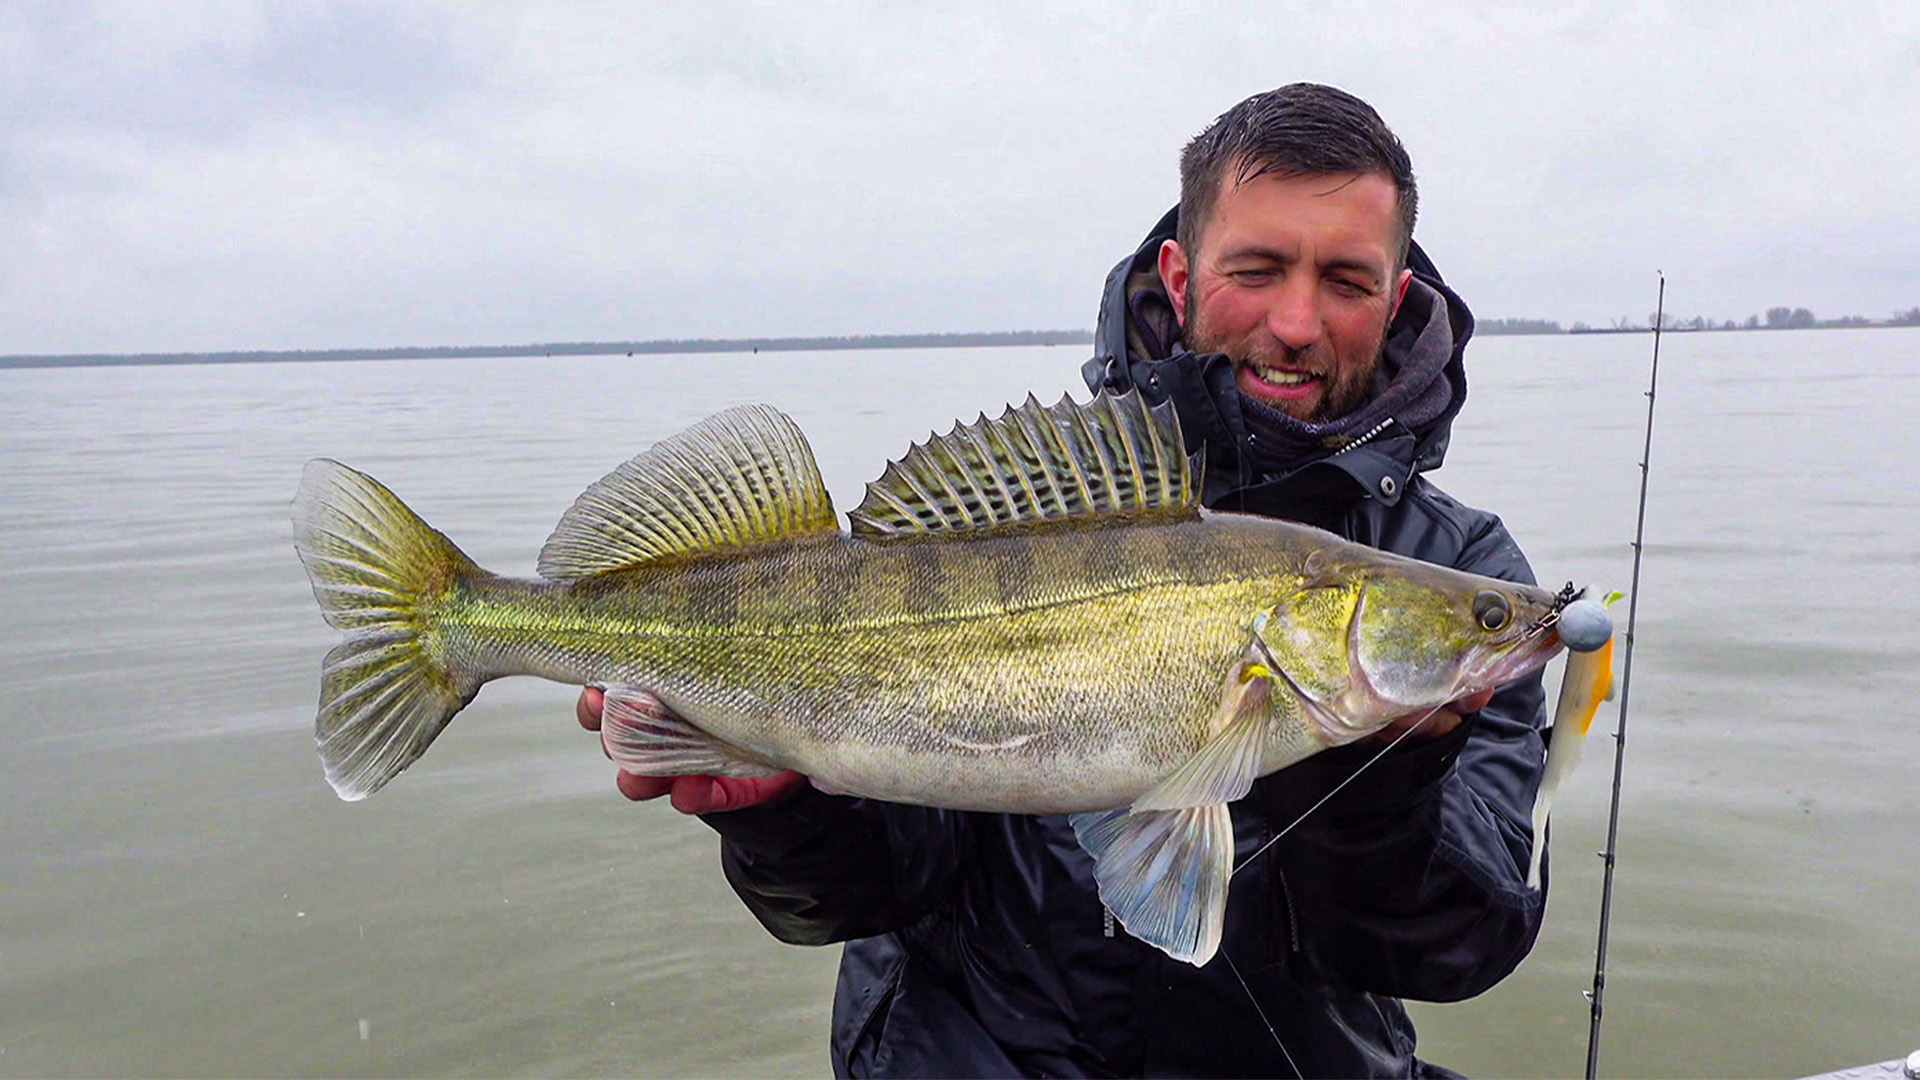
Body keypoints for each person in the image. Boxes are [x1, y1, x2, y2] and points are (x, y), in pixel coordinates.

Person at [577, 83, 1550, 1077]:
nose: (1296, 321)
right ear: (1179, 275)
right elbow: (855, 900)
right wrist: (780, 812)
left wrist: (1387, 779)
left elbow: (1456, 947)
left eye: (1346, 279)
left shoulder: (1463, 562)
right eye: (1257, 269)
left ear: (1394, 298)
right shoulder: (1027, 511)